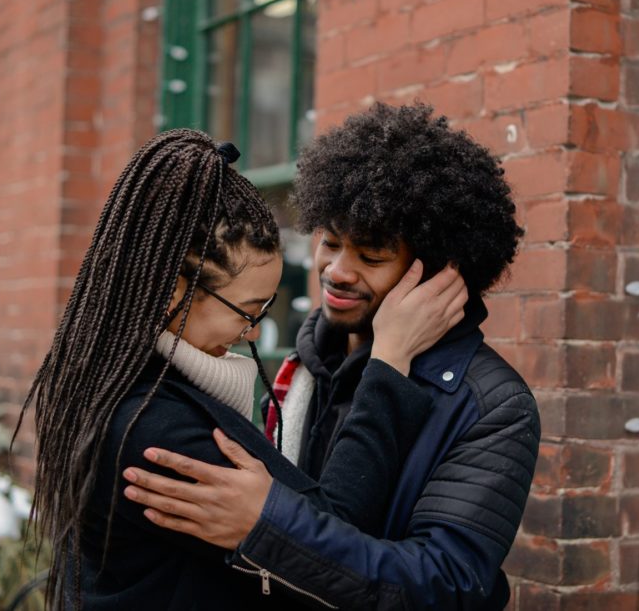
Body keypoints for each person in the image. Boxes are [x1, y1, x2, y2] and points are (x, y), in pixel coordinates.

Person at [14, 128, 470, 609]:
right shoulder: (157, 427)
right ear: (172, 291)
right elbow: (334, 533)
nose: (253, 333)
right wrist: (390, 360)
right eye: (247, 310)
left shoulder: (114, 379)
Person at [123, 103, 542, 609]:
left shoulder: (491, 404)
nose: (336, 271)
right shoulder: (303, 364)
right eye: (330, 242)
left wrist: (268, 524)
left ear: (435, 272)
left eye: (371, 256)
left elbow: (446, 586)